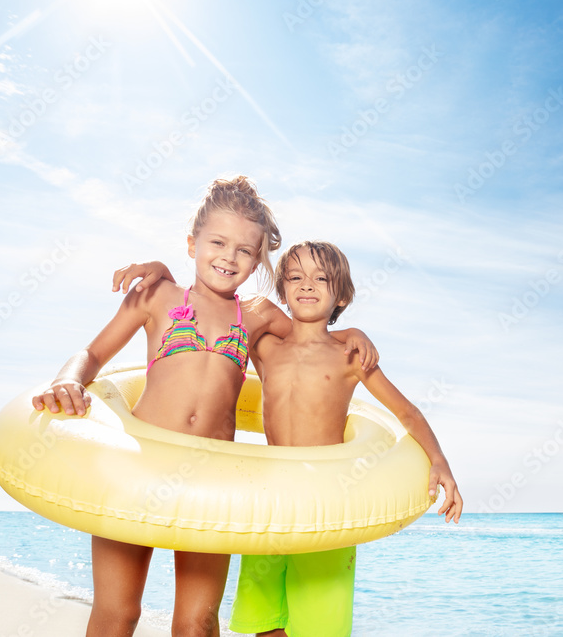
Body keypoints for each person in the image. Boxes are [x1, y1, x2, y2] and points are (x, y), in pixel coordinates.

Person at [32, 177, 377, 637]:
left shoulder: (255, 314)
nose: (228, 257)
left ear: (257, 261)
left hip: (210, 482)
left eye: (245, 251)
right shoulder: (157, 296)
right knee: (119, 613)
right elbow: (93, 355)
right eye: (217, 242)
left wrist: (351, 334)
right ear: (192, 243)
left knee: (197, 622)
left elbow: (312, 336)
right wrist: (68, 378)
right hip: (139, 469)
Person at [124, 240, 462, 636]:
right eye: (296, 277)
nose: (307, 285)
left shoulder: (350, 356)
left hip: (328, 503)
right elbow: (210, 302)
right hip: (272, 505)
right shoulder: (266, 348)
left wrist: (440, 462)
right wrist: (163, 271)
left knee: (318, 622)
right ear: (281, 289)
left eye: (321, 278)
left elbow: (407, 412)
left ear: (342, 295)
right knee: (266, 622)